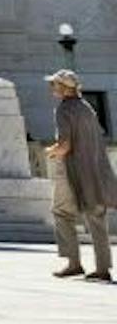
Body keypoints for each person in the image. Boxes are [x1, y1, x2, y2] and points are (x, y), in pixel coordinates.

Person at [45, 68, 116, 280]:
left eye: (55, 84)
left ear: (64, 88)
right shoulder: (87, 108)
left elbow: (65, 145)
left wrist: (51, 151)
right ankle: (102, 269)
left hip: (72, 170)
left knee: (61, 212)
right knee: (96, 216)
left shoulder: (64, 109)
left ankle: (73, 263)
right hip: (95, 169)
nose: (52, 87)